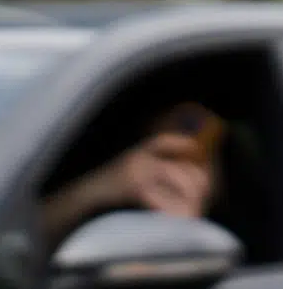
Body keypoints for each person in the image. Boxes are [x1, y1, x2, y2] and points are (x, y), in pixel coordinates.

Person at [34, 103, 224, 257]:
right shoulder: (106, 187)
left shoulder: (237, 232)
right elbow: (15, 241)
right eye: (165, 156)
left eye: (196, 156)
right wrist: (100, 188)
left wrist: (186, 228)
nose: (174, 171)